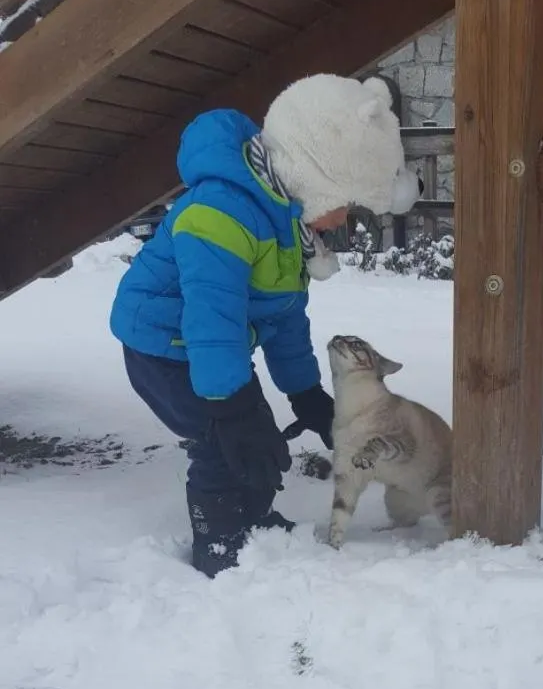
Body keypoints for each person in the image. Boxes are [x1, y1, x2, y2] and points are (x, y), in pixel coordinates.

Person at [109, 73, 420, 577]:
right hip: (162, 345)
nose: (343, 219)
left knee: (260, 441)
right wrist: (229, 410)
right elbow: (213, 317)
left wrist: (307, 396)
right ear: (316, 179)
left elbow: (284, 317)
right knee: (223, 439)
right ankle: (221, 546)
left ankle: (254, 522)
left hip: (211, 347)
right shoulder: (220, 212)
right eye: (346, 201)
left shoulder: (285, 223)